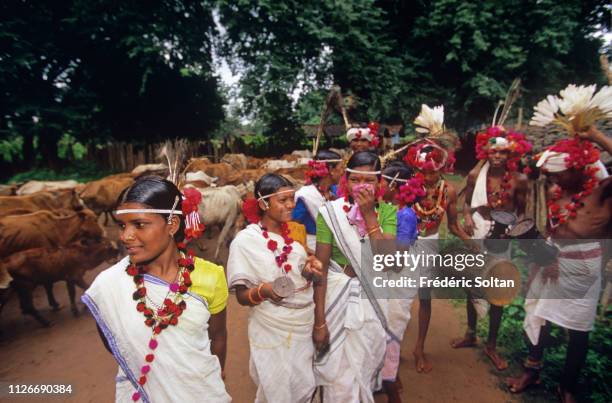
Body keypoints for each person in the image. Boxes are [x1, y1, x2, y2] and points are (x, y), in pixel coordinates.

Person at [82, 176, 230, 402]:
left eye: (139, 225)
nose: (125, 236)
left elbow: (218, 336)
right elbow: (112, 340)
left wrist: (207, 376)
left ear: (172, 225)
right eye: (122, 225)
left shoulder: (211, 277)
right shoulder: (109, 283)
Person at [507, 127, 611, 402]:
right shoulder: (558, 191)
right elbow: (550, 231)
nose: (552, 179)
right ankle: (532, 370)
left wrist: (597, 138)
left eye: (557, 172)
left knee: (578, 331)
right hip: (550, 262)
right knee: (539, 317)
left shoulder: (602, 193)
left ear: (577, 168)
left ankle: (567, 387)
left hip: (584, 271)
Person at [227, 173, 325, 403]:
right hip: (270, 324)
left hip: (303, 322)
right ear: (263, 203)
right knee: (275, 387)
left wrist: (309, 271)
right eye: (283, 200)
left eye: (292, 198)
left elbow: (297, 273)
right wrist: (265, 291)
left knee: (303, 384)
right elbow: (242, 297)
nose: (291, 205)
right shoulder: (245, 241)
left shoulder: (294, 233)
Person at [313, 151, 397, 402]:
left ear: (379, 182)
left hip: (371, 302)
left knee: (363, 367)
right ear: (346, 181)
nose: (362, 186)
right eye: (355, 179)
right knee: (339, 380)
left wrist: (370, 215)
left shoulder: (389, 212)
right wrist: (319, 322)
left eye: (369, 181)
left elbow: (387, 262)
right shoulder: (329, 213)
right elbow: (321, 268)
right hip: (335, 303)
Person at [454, 127, 531, 371]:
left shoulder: (518, 180)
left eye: (502, 153)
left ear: (509, 155)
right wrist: (467, 217)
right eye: (493, 152)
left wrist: (512, 231)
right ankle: (470, 333)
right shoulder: (476, 177)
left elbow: (522, 212)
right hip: (478, 227)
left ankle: (492, 344)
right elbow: (466, 204)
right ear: (485, 153)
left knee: (498, 289)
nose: (497, 157)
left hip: (501, 234)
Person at [403, 139, 470, 374]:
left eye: (433, 171)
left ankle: (419, 348)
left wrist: (471, 244)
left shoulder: (448, 191)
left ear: (441, 169)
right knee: (398, 297)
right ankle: (389, 347)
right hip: (405, 244)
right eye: (423, 171)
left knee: (425, 297)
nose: (428, 176)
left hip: (430, 245)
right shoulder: (407, 187)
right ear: (416, 169)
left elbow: (453, 225)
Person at [379, 161, 423, 402]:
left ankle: (391, 383)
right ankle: (387, 376)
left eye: (383, 181)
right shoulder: (390, 208)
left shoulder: (404, 215)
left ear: (395, 186)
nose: (378, 185)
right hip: (393, 275)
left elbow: (397, 260)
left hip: (399, 276)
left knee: (392, 325)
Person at [292, 150, 343, 253]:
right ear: (332, 170)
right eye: (341, 168)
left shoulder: (335, 191)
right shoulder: (305, 196)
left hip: (336, 243)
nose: (343, 172)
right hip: (312, 246)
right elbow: (292, 226)